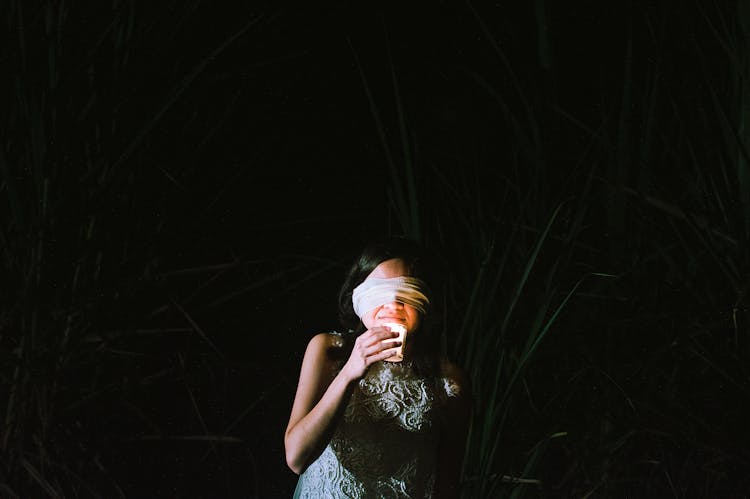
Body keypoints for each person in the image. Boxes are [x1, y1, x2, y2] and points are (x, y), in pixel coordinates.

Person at [285, 236, 471, 498]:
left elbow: (448, 480)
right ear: (358, 297)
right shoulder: (327, 350)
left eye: (406, 292)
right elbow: (296, 458)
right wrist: (350, 371)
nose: (392, 305)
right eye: (378, 292)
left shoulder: (450, 380)